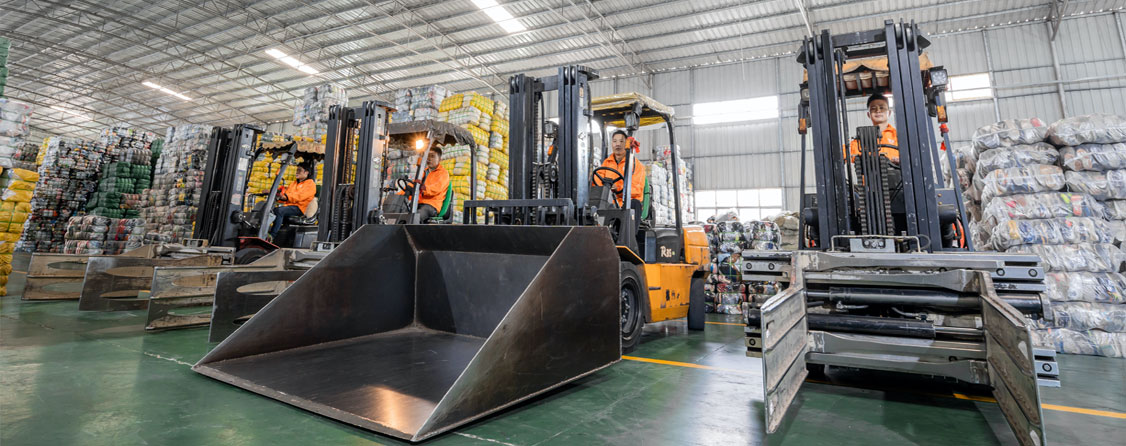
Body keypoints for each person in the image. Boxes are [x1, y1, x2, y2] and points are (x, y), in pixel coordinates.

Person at [382, 146, 450, 222]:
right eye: (428, 156)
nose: (429, 159)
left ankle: (410, 233)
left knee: (415, 217)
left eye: (432, 156)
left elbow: (436, 188)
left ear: (440, 159)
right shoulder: (423, 172)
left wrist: (422, 189)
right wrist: (398, 195)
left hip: (431, 205)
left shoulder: (443, 173)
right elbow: (413, 185)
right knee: (402, 214)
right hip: (418, 203)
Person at [595, 130, 646, 214]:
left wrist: (618, 188)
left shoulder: (635, 165)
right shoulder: (606, 163)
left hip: (627, 204)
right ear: (612, 144)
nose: (617, 144)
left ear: (626, 144)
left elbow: (637, 189)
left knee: (635, 204)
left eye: (621, 141)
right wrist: (605, 189)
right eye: (615, 141)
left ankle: (629, 227)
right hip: (608, 203)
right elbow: (596, 181)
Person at [848, 93, 899, 163]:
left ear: (889, 113)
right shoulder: (864, 137)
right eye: (873, 108)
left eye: (881, 107)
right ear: (869, 114)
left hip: (895, 173)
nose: (878, 111)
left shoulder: (897, 135)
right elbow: (847, 151)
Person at [269, 163, 316, 239]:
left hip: (300, 208)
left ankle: (272, 236)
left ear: (306, 172)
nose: (297, 172)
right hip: (290, 206)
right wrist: (279, 196)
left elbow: (300, 197)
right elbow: (287, 195)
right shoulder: (294, 183)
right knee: (271, 211)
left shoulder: (310, 184)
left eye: (299, 170)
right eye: (297, 170)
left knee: (279, 211)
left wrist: (286, 197)